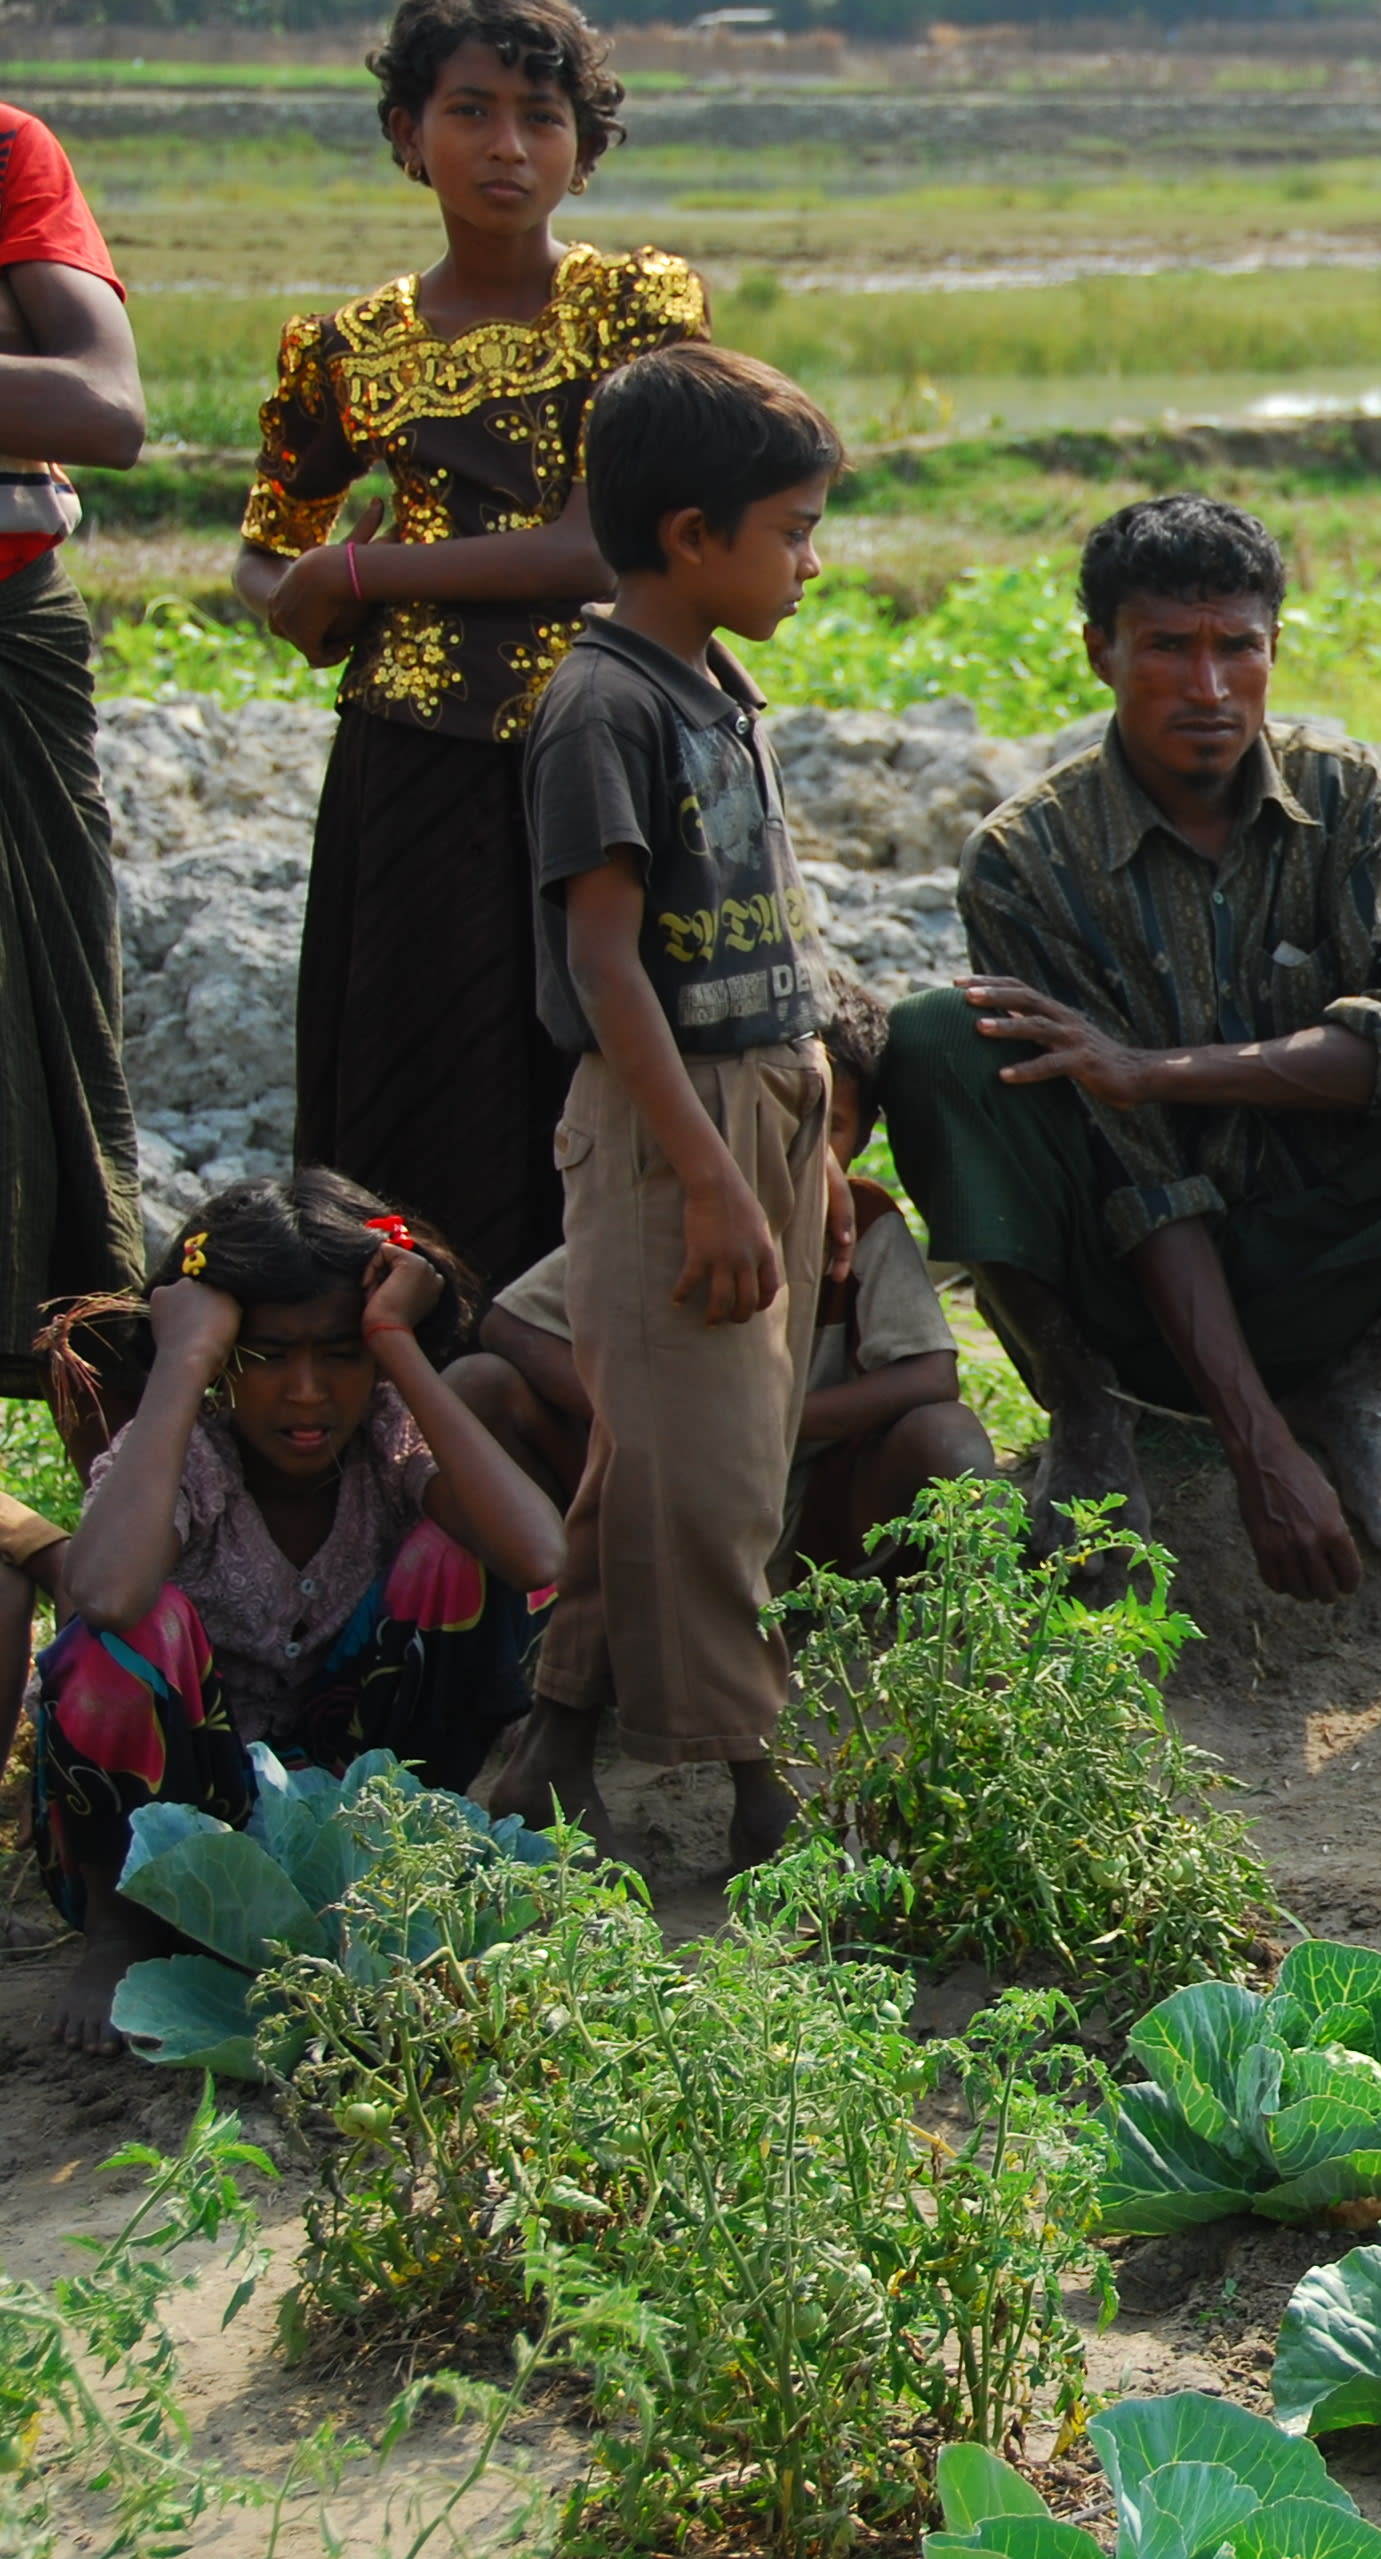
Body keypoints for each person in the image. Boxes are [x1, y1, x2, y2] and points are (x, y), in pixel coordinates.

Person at [881, 497, 1381, 1602]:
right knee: (933, 1036)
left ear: (1274, 648)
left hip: (1333, 1249)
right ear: (1100, 652)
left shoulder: (1347, 799)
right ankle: (1089, 1411)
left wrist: (1151, 1069)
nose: (1208, 687)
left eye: (1236, 647)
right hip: (1127, 1278)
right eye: (1168, 647)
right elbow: (1133, 1170)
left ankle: (1354, 1381)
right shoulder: (1026, 857)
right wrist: (1255, 1448)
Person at [234, 0, 706, 1289]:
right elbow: (266, 554)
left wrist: (358, 572)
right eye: (469, 112)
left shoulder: (631, 307)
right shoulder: (343, 349)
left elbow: (591, 549)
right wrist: (305, 592)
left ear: (582, 149)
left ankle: (586, 1369)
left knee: (600, 1057)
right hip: (410, 764)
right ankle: (417, 1356)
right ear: (407, 132)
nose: (508, 146)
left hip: (602, 745)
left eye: (541, 118)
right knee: (416, 1074)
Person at [465, 342, 837, 1869]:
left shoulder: (711, 686)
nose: (811, 563)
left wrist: (803, 1149)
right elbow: (604, 965)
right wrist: (712, 1177)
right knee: (713, 1470)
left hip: (758, 1098)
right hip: (668, 1116)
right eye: (793, 532)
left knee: (665, 1444)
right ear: (692, 536)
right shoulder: (599, 709)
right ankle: (754, 1783)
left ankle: (553, 1737)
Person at [29, 1173, 566, 2054]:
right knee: (124, 1635)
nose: (308, 1391)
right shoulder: (188, 1454)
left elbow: (537, 1555)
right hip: (175, 1824)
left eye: (341, 1354)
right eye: (268, 1356)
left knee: (461, 1556)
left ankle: (403, 1870)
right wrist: (182, 1364)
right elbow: (105, 1595)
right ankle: (123, 1933)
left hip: (358, 1809)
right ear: (221, 1357)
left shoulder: (389, 1441)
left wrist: (396, 1347)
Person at [455, 986, 995, 1579]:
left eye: (827, 1129)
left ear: (865, 1138)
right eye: (773, 1119)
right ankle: (560, 1587)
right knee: (478, 1384)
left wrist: (766, 1424)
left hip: (807, 1509)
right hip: (647, 1492)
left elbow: (930, 1376)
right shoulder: (677, 1208)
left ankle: (886, 1607)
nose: (796, 1152)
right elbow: (510, 1324)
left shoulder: (863, 1226)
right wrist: (644, 1420)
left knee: (947, 1437)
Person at [0, 95, 145, 1391]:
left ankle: (115, 1490)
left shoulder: (7, 149)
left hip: (7, 625)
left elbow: (103, 407)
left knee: (36, 1039)